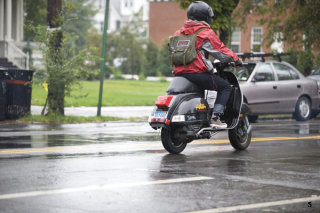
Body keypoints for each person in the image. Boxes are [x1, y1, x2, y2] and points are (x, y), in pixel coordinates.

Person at [171, 1, 241, 128]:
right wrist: (236, 59)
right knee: (225, 87)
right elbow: (220, 51)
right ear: (205, 17)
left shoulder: (179, 33)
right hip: (197, 73)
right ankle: (215, 117)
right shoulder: (204, 33)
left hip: (180, 74)